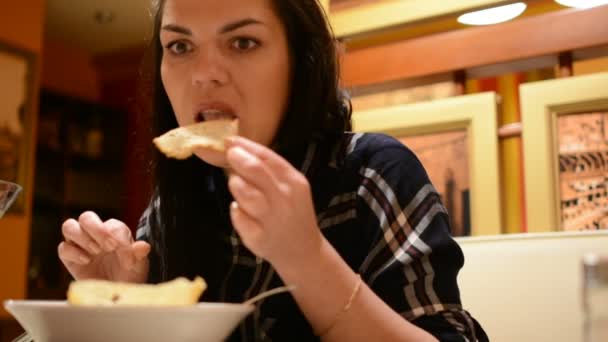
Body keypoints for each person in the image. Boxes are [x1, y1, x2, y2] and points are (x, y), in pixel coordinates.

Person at [58, 0, 488, 341]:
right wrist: (120, 308)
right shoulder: (174, 202)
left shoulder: (372, 174)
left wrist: (306, 257)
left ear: (301, 61)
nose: (204, 76)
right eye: (180, 46)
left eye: (242, 42)